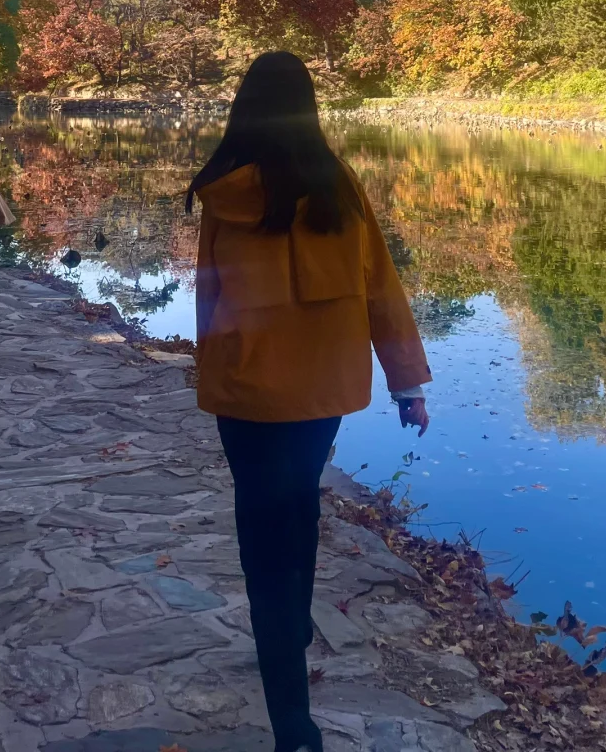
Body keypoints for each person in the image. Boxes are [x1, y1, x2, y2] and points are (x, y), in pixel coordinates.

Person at [188, 51, 431, 752]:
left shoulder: (222, 190)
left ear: (245, 109)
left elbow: (208, 293)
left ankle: (291, 717)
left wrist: (215, 370)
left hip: (246, 385)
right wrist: (406, 383)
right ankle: (292, 626)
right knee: (299, 501)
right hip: (322, 386)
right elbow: (380, 285)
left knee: (260, 526)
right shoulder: (338, 185)